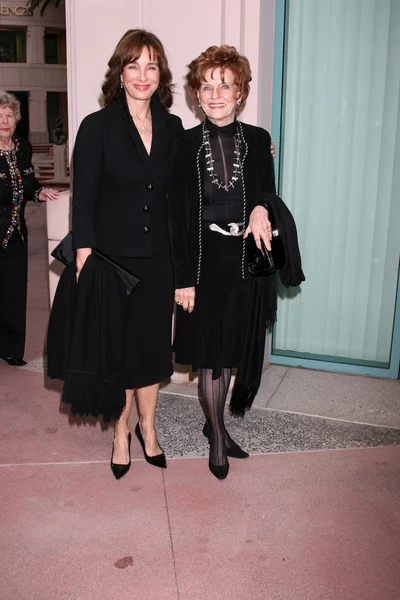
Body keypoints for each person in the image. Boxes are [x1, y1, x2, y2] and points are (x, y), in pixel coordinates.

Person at [168, 46, 304, 480]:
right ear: (197, 94)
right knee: (209, 355)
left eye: (224, 85)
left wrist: (262, 208)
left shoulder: (260, 139)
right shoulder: (184, 144)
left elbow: (267, 187)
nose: (215, 94)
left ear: (240, 91)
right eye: (206, 86)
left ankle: (216, 425)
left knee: (229, 354)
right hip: (203, 264)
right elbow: (176, 216)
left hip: (243, 264)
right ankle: (219, 438)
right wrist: (183, 279)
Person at [69, 30, 184, 479]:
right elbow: (85, 197)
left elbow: (182, 194)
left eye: (151, 66)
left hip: (158, 260)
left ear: (161, 75)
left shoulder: (173, 128)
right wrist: (84, 256)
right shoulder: (97, 127)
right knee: (117, 353)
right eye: (133, 65)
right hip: (112, 262)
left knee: (153, 352)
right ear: (119, 72)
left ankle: (148, 428)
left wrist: (257, 148)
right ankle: (121, 433)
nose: (142, 75)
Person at [0, 91, 58, 367]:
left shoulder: (22, 147)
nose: (4, 120)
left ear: (17, 119)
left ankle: (11, 348)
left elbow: (28, 179)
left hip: (16, 234)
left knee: (13, 291)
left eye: (9, 115)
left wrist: (39, 192)